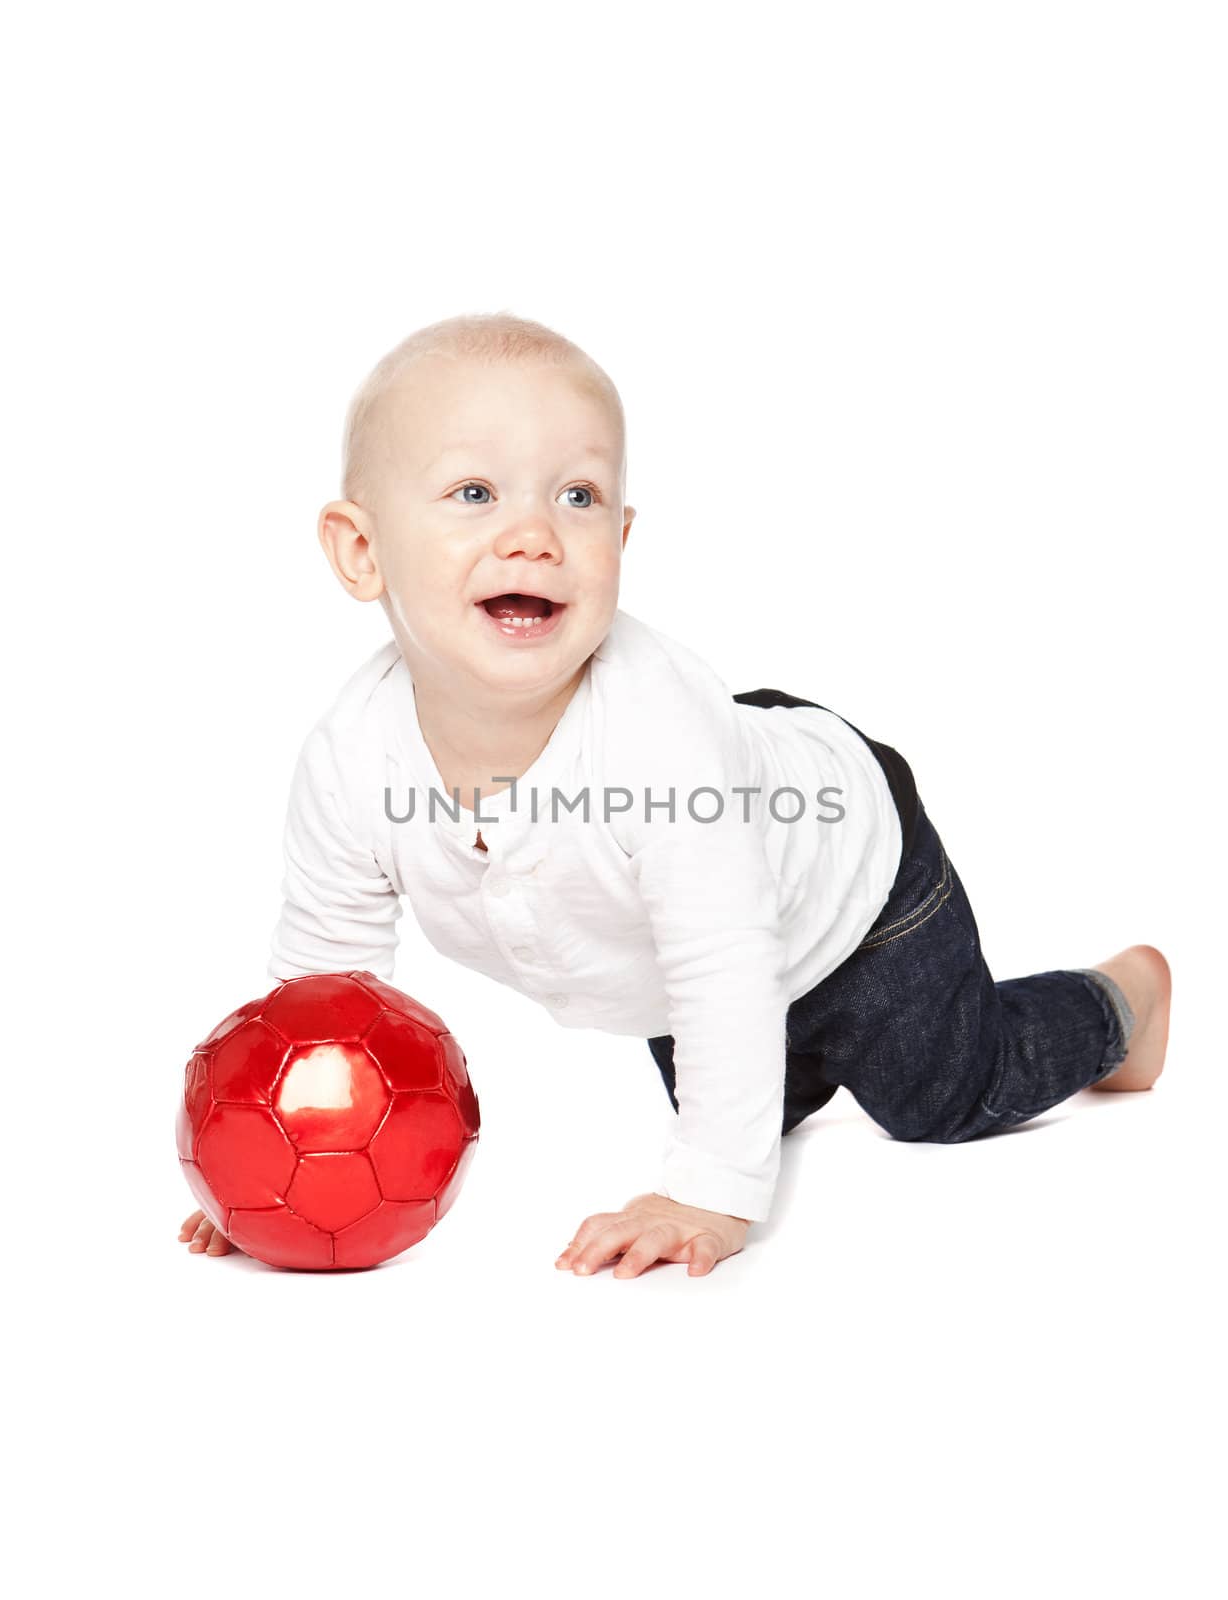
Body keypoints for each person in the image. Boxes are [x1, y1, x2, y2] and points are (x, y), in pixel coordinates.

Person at [178, 310, 1172, 1278]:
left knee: (942, 1090)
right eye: (474, 492)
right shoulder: (352, 758)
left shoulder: (654, 741)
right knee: (754, 1096)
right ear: (362, 551)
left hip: (846, 872)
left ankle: (1119, 1002)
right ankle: (793, 1076)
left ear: (622, 532)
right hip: (689, 921)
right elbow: (327, 988)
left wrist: (710, 1192)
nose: (532, 533)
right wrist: (277, 1170)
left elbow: (719, 957)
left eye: (576, 497)